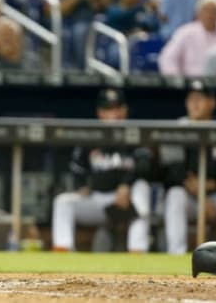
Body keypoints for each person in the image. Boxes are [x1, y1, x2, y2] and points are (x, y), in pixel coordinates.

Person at [52, 88, 153, 252]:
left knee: (142, 187)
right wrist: (81, 186)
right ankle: (62, 250)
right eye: (108, 109)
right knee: (63, 202)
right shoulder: (91, 136)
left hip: (126, 199)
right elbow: (77, 167)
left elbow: (144, 166)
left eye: (117, 108)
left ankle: (137, 249)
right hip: (98, 199)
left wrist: (126, 185)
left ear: (124, 110)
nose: (113, 114)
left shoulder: (135, 134)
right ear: (100, 112)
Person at [161, 79, 216, 254]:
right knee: (175, 195)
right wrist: (201, 196)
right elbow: (173, 172)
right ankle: (176, 254)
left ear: (212, 103)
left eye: (200, 98)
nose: (195, 103)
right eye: (191, 99)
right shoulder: (176, 129)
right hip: (190, 200)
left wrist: (211, 186)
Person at [158, 0, 216, 76]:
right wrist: (177, 81)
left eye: (214, 11)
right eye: (206, 10)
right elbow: (167, 59)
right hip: (189, 83)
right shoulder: (185, 32)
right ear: (198, 13)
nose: (210, 15)